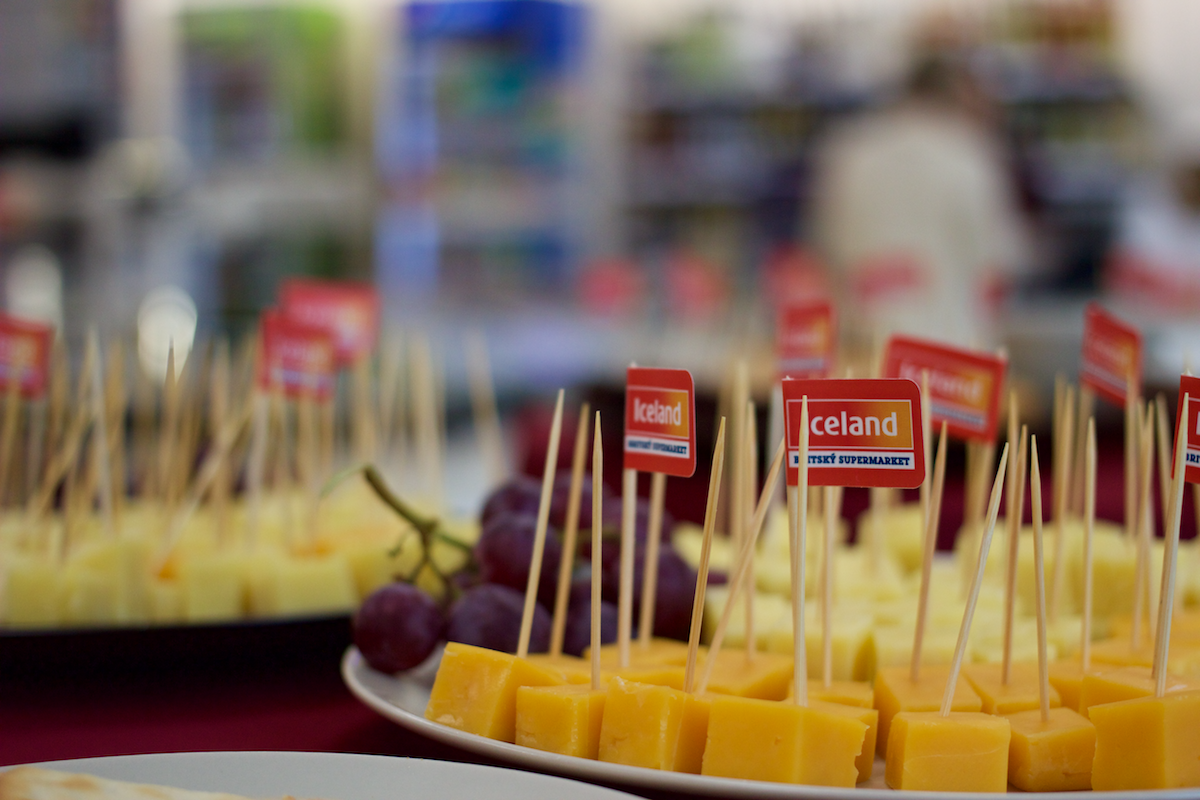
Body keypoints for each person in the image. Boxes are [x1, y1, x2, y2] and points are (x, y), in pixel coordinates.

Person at [811, 53, 1030, 349]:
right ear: (959, 95)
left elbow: (826, 256)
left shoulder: (848, 151)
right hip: (953, 355)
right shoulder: (972, 154)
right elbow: (999, 265)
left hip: (865, 346)